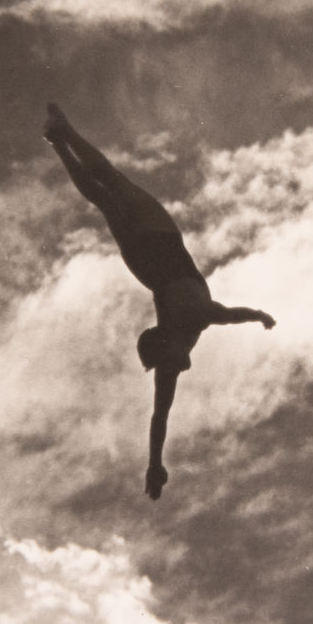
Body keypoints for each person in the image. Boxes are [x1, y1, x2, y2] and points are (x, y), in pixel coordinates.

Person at [44, 102, 275, 499]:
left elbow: (224, 315)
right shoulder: (178, 346)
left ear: (164, 348)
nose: (171, 373)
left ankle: (63, 137)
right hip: (145, 260)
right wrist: (153, 463)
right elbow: (158, 419)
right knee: (106, 194)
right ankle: (60, 141)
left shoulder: (191, 324)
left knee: (113, 187)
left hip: (157, 243)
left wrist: (256, 316)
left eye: (160, 364)